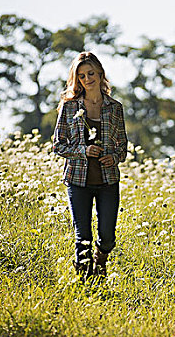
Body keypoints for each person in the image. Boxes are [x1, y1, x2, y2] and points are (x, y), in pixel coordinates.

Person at [53, 52, 127, 280]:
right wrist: (83, 152)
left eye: (91, 73)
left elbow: (122, 147)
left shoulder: (115, 108)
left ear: (101, 73)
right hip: (77, 180)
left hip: (108, 181)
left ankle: (100, 260)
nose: (87, 79)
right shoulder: (69, 107)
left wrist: (113, 157)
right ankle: (86, 284)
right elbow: (58, 145)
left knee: (107, 237)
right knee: (82, 237)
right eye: (82, 75)